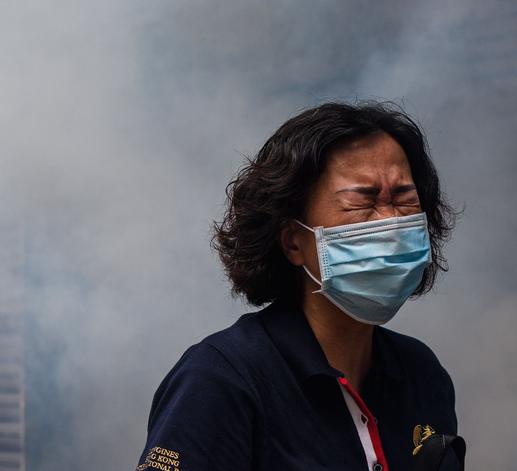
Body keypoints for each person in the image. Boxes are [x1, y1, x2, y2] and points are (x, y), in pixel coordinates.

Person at [135, 101, 465, 471]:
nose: (390, 222)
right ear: (293, 241)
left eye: (404, 200)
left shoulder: (421, 373)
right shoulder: (222, 379)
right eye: (363, 201)